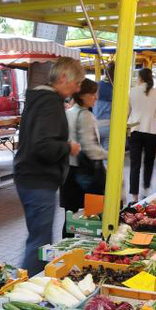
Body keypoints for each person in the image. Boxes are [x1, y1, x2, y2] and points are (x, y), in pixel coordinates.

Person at [15, 57, 83, 275]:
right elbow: (42, 145)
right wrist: (68, 147)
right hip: (38, 180)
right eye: (77, 82)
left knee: (37, 237)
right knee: (40, 243)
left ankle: (27, 283)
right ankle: (27, 292)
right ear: (63, 77)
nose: (78, 88)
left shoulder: (38, 98)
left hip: (29, 178)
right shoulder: (50, 102)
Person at [61, 78, 108, 235]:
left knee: (69, 218)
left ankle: (65, 249)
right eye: (93, 94)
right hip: (86, 173)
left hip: (69, 172)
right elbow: (90, 149)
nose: (96, 98)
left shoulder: (68, 113)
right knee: (96, 215)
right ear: (83, 95)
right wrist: (110, 155)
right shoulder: (86, 115)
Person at [127, 68, 156, 202]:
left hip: (134, 130)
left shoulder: (132, 91)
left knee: (135, 164)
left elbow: (127, 112)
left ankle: (134, 196)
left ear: (140, 78)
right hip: (152, 131)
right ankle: (146, 189)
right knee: (149, 162)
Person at [94, 62, 115, 149]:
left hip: (95, 124)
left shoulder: (98, 85)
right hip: (109, 125)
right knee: (108, 156)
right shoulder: (116, 87)